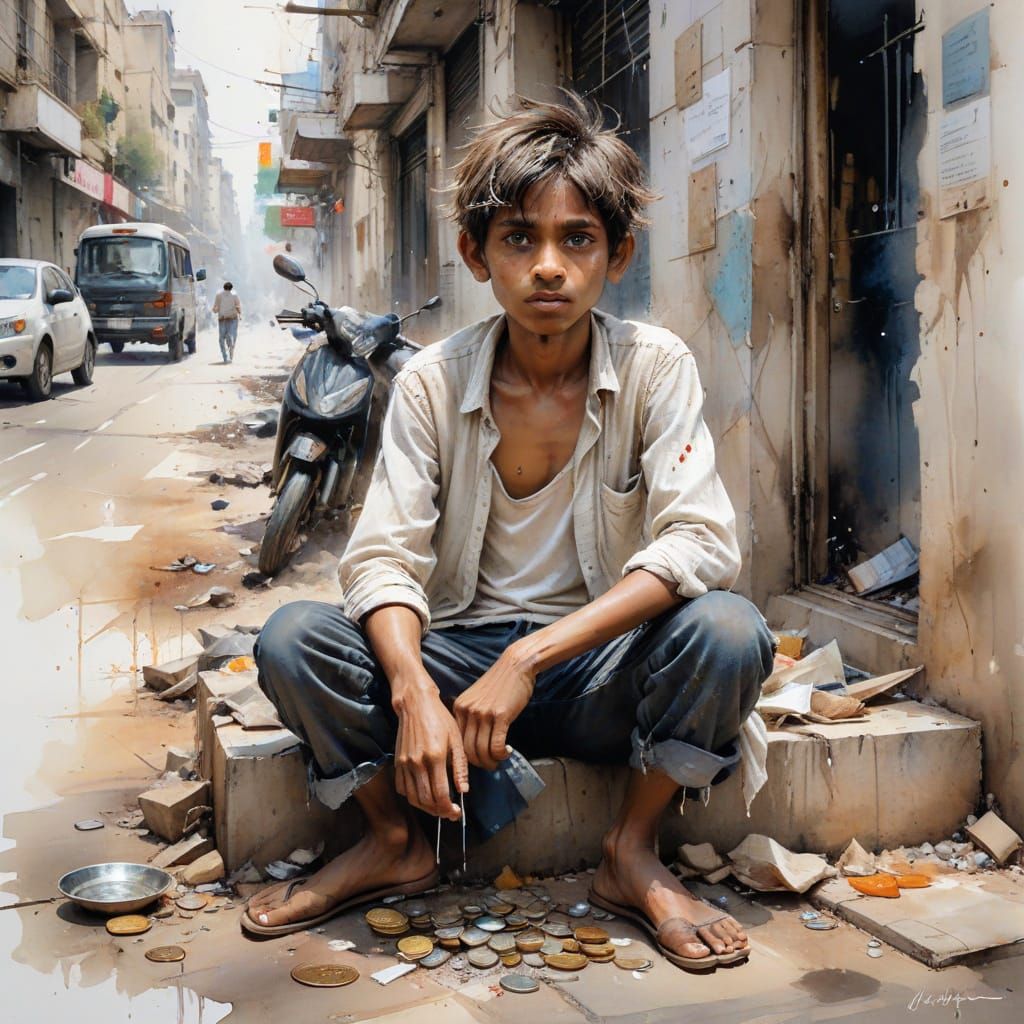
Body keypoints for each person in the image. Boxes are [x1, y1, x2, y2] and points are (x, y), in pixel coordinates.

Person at [248, 95, 774, 970]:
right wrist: (415, 687)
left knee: (729, 630)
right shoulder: (427, 385)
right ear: (476, 254)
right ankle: (393, 841)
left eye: (578, 239)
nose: (548, 268)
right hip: (458, 678)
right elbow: (382, 556)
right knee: (292, 640)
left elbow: (699, 543)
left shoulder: (655, 367)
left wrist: (527, 662)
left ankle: (631, 852)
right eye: (519, 238)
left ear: (617, 255)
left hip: (599, 672)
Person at [213, 281, 241, 363]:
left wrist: (215, 310)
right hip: (233, 319)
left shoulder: (219, 295)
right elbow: (238, 306)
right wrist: (240, 313)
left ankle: (225, 357)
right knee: (231, 337)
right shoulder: (234, 294)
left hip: (222, 319)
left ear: (224, 287)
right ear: (231, 288)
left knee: (222, 339)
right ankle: (231, 353)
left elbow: (215, 308)